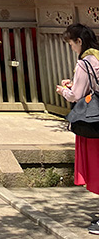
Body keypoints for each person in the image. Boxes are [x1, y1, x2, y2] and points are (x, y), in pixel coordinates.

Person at [56, 23, 99, 234]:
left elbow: (76, 95)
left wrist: (64, 90)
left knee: (97, 166)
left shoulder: (84, 63)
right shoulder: (98, 57)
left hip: (94, 122)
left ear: (79, 42)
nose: (71, 48)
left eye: (71, 44)